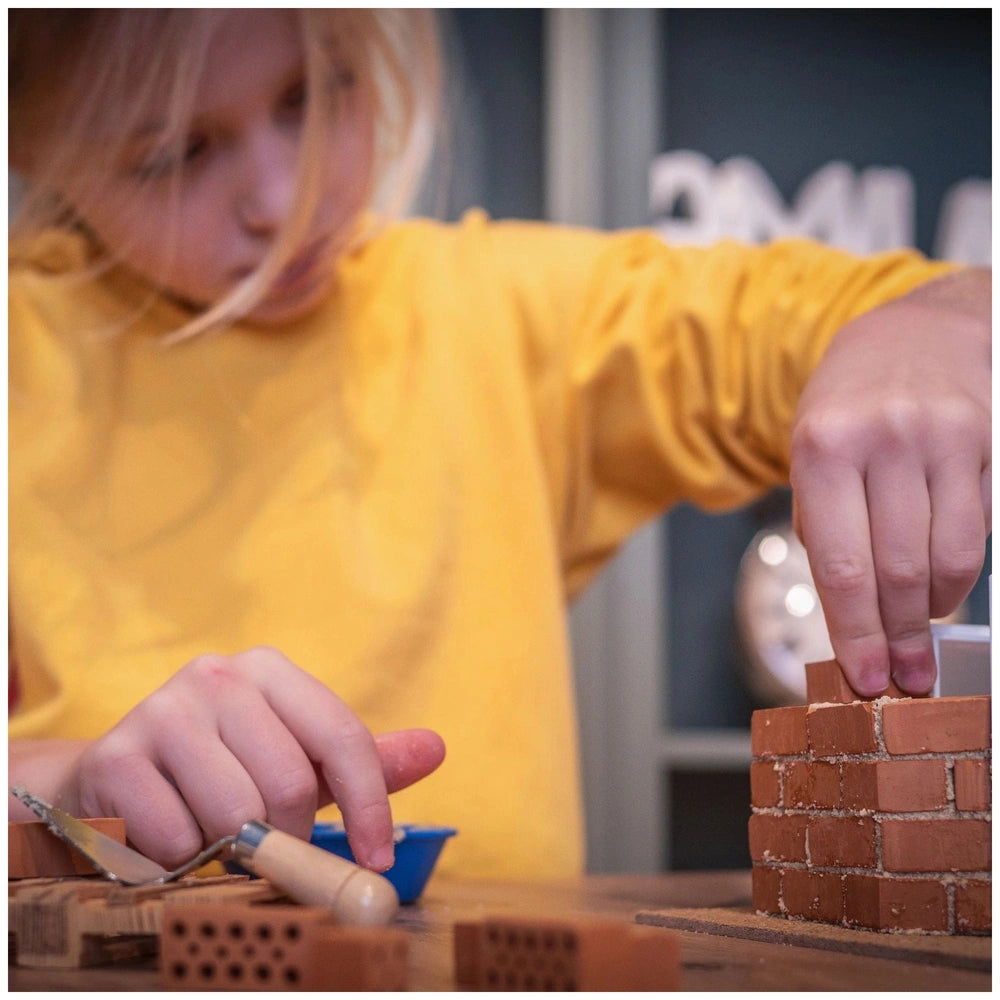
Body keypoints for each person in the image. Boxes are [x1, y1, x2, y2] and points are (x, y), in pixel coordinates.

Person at [8, 9, 991, 881]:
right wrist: (67, 784)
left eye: (317, 91)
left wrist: (934, 322)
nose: (281, 196)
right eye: (174, 153)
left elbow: (928, 300)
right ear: (29, 143)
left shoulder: (499, 314)